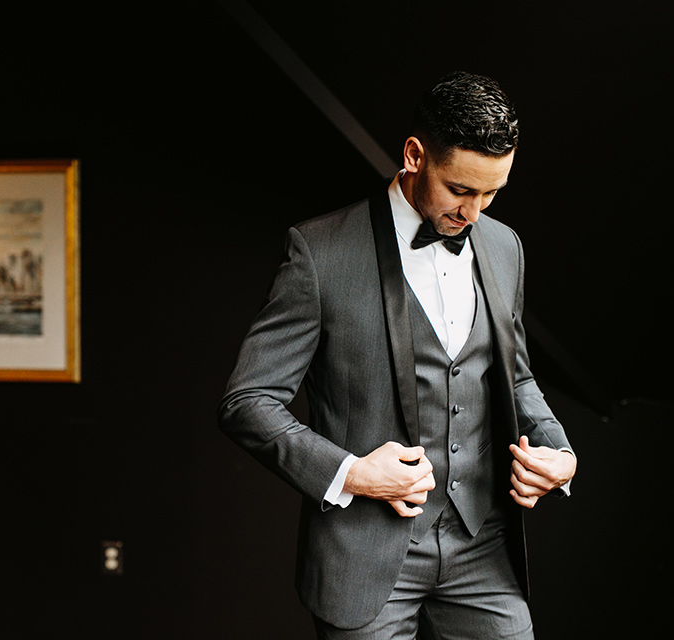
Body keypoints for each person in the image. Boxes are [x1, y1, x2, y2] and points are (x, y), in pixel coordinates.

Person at [218, 71, 576, 639]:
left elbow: (516, 375)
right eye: (460, 190)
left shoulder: (504, 247)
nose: (474, 212)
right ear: (414, 155)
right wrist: (353, 473)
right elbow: (247, 401)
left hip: (482, 548)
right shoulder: (319, 252)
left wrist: (561, 453)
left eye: (492, 193)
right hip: (364, 556)